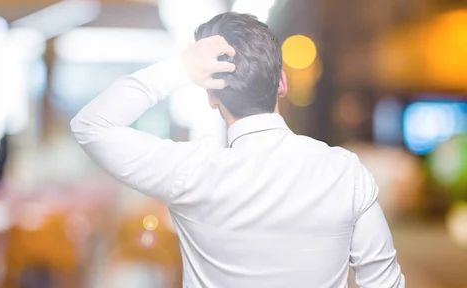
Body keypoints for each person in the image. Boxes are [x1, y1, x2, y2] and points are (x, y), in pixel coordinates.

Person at [71, 12, 405, 288]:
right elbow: (384, 283)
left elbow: (90, 125)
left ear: (211, 96)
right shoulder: (346, 172)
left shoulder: (190, 171)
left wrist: (181, 69)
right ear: (282, 83)